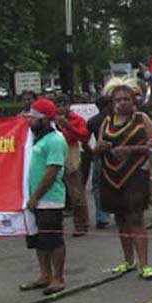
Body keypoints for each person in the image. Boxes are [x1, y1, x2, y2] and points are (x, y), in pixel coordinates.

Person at [96, 80, 152, 280]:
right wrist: (102, 147)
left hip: (136, 174)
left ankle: (144, 264)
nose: (122, 103)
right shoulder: (107, 121)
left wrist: (131, 150)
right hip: (112, 175)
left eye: (126, 99)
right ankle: (128, 260)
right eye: (118, 99)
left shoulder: (142, 119)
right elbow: (96, 147)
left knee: (136, 218)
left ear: (134, 101)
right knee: (121, 219)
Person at [19, 98, 69, 295]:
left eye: (34, 118)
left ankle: (58, 277)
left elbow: (52, 170)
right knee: (38, 239)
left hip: (49, 199)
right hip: (31, 199)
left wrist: (36, 197)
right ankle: (44, 274)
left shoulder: (55, 139)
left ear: (46, 119)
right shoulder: (33, 138)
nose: (29, 121)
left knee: (53, 240)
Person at [53, 94, 91, 236]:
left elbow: (84, 136)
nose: (61, 108)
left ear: (69, 105)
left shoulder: (77, 120)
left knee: (76, 193)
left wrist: (68, 127)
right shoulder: (50, 121)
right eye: (58, 105)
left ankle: (81, 224)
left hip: (70, 155)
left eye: (63, 104)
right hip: (54, 156)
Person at [85, 95, 112, 229]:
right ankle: (120, 213)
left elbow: (84, 140)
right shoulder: (115, 119)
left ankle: (102, 217)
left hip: (99, 155)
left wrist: (91, 152)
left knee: (98, 187)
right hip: (114, 154)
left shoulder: (92, 121)